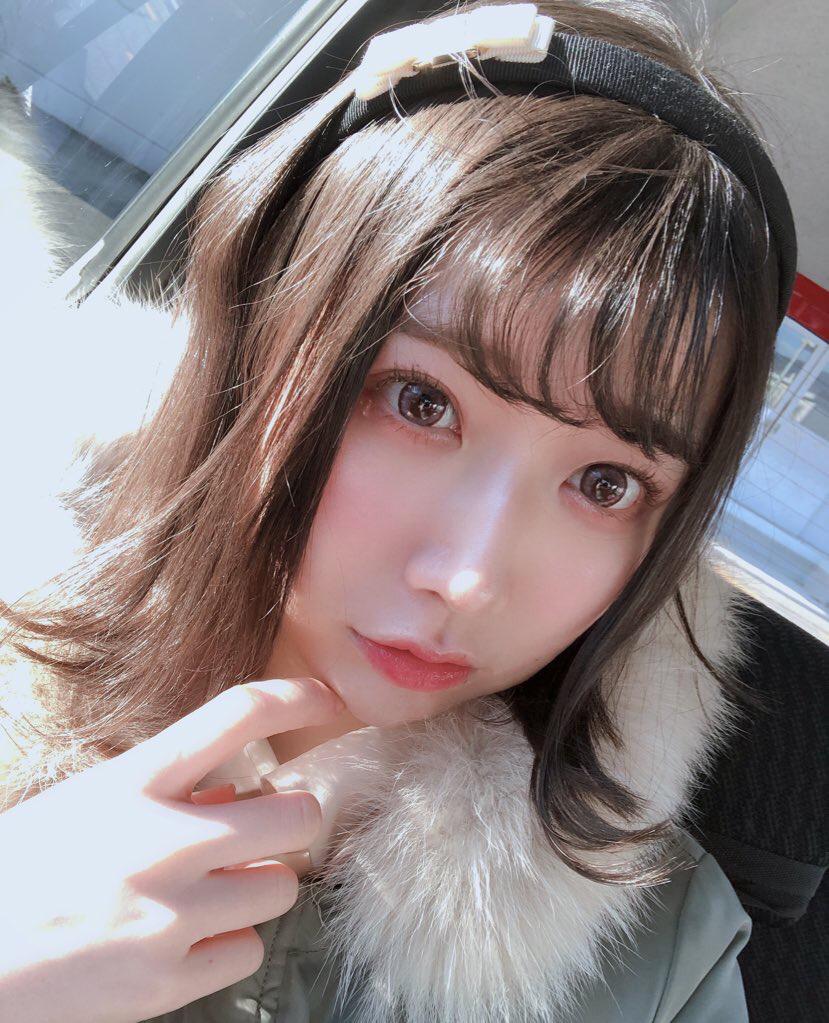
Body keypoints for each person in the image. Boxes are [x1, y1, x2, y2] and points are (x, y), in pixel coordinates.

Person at [0, 1, 796, 1020]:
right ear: (258, 337)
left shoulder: (657, 964)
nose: (466, 577)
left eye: (607, 484)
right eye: (420, 403)